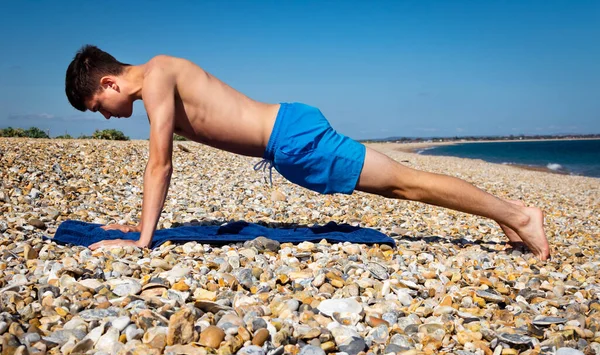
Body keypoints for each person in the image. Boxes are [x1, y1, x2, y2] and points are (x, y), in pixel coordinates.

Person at [64, 45, 550, 260]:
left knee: (406, 183)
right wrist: (139, 227)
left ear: (109, 82)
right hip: (290, 137)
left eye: (96, 106)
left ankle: (519, 214)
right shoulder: (160, 75)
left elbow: (159, 162)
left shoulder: (158, 78)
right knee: (404, 187)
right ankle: (500, 217)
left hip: (294, 139)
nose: (103, 116)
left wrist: (143, 240)